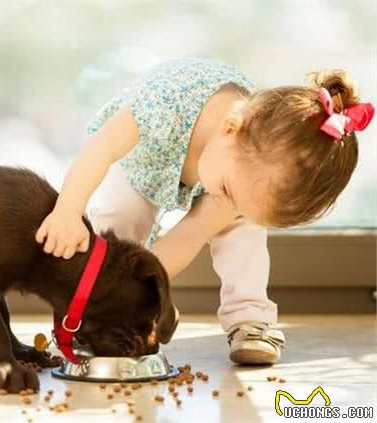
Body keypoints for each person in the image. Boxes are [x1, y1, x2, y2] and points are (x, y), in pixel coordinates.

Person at [35, 57, 374, 364]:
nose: (228, 206)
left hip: (224, 169)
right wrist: (67, 209)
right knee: (119, 216)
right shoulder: (164, 106)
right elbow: (101, 148)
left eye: (242, 205)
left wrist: (151, 292)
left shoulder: (244, 170)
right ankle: (98, 315)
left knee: (242, 233)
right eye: (229, 193)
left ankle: (250, 317)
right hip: (144, 161)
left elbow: (191, 234)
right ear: (229, 129)